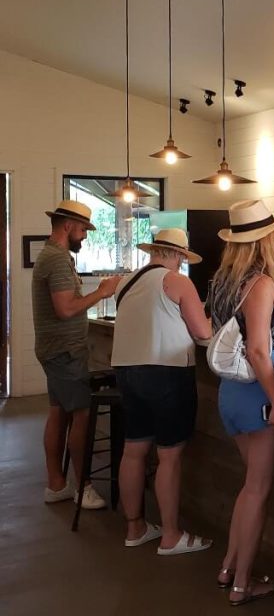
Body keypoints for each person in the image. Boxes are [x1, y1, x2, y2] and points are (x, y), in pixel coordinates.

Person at [207, 199, 274, 606]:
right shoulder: (261, 283)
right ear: (268, 240)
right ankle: (242, 584)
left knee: (249, 488)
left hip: (230, 391)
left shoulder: (222, 280)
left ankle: (228, 566)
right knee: (257, 491)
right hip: (257, 392)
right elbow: (259, 351)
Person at [110, 229, 213, 554]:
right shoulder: (177, 282)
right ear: (178, 255)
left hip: (127, 370)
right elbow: (203, 332)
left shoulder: (125, 282)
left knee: (134, 450)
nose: (183, 262)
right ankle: (170, 535)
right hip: (167, 372)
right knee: (169, 456)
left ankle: (135, 528)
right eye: (182, 256)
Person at [32, 200, 121, 509]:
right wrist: (103, 292)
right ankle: (83, 487)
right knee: (81, 416)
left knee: (58, 413)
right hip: (65, 352)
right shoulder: (57, 260)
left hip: (55, 350)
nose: (85, 235)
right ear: (68, 226)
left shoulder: (55, 257)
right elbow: (66, 308)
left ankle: (56, 484)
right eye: (83, 229)